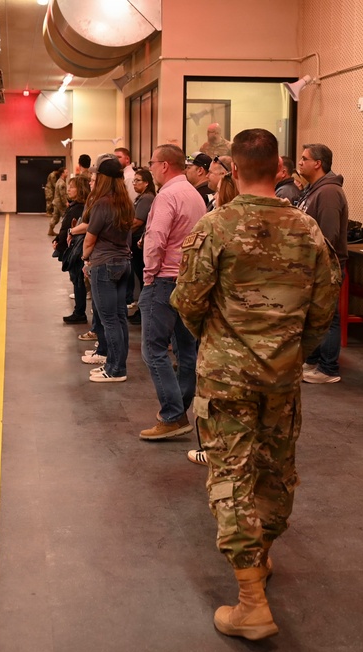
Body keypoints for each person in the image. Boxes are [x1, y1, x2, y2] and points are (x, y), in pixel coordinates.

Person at [170, 128, 341, 641]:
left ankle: (251, 602)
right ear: (281, 168)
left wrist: (220, 340)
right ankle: (262, 558)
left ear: (236, 169)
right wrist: (290, 347)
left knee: (231, 475)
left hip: (226, 377)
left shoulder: (215, 226)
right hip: (282, 376)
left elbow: (188, 300)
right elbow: (324, 307)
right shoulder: (308, 230)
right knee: (275, 470)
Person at [138, 144, 207, 440]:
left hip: (165, 280)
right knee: (186, 348)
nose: (150, 168)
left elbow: (156, 238)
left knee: (153, 349)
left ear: (165, 165)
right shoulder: (194, 195)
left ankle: (172, 415)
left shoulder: (167, 195)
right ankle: (181, 405)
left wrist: (149, 274)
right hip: (189, 280)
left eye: (152, 163)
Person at [296, 143, 349, 384]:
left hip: (326, 264)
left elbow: (329, 235)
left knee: (328, 316)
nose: (300, 162)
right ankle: (314, 359)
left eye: (304, 159)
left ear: (317, 163)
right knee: (313, 315)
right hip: (312, 264)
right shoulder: (314, 189)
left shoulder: (328, 192)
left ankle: (328, 369)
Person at [81, 158, 134, 383]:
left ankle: (115, 369)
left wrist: (85, 259)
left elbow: (90, 239)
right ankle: (117, 364)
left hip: (103, 264)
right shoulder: (126, 202)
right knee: (120, 317)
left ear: (103, 178)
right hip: (123, 263)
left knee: (108, 319)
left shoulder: (102, 203)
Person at [56, 174, 91, 324]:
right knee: (75, 280)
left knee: (78, 280)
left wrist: (66, 236)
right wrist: (58, 239)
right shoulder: (75, 206)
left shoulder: (81, 208)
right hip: (71, 247)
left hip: (77, 249)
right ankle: (78, 310)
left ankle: (79, 312)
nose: (69, 190)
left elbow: (74, 227)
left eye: (72, 187)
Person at [126, 167, 156, 321]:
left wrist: (121, 229)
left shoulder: (147, 198)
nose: (134, 183)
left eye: (138, 180)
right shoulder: (141, 197)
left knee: (143, 278)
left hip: (140, 244)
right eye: (134, 180)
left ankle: (143, 313)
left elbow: (138, 221)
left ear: (146, 183)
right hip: (136, 242)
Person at [50, 168, 68, 236]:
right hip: (60, 203)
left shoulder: (59, 181)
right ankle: (64, 232)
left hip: (56, 202)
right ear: (62, 173)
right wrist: (65, 202)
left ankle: (50, 230)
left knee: (55, 218)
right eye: (66, 172)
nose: (67, 174)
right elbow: (62, 194)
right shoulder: (62, 183)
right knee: (65, 218)